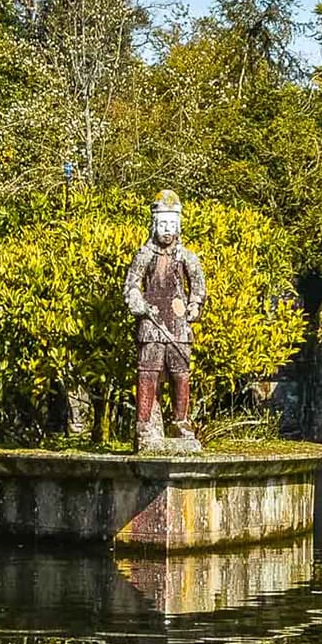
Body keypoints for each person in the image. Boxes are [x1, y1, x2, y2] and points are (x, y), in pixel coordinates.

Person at [123, 191, 207, 450]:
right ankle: (145, 423)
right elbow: (131, 283)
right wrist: (137, 301)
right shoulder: (144, 255)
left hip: (178, 324)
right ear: (154, 225)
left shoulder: (187, 257)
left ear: (179, 225)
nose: (167, 230)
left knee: (180, 373)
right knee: (148, 373)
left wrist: (194, 306)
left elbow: (198, 286)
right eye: (163, 224)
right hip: (151, 323)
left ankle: (180, 421)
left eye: (172, 225)